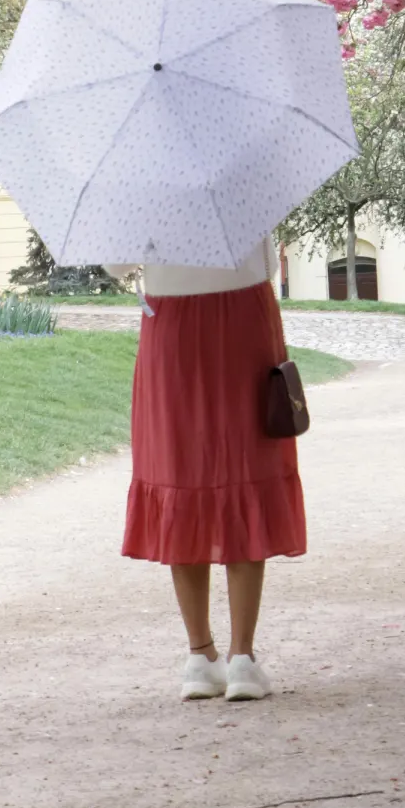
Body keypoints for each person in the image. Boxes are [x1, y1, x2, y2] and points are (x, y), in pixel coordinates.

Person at [113, 234, 305, 703]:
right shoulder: (245, 167)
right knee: (245, 469)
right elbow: (270, 266)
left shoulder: (139, 181)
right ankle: (242, 660)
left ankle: (200, 657)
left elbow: (117, 266)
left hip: (171, 326)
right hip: (245, 321)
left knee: (180, 475)